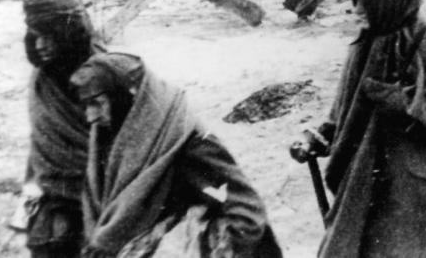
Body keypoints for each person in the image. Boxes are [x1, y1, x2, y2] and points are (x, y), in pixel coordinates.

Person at [290, 0, 426, 257]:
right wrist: (318, 137)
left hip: (414, 182)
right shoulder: (363, 43)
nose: (356, 8)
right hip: (363, 175)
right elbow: (343, 111)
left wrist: (402, 102)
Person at [70, 52, 281, 258]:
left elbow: (246, 213)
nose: (90, 116)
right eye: (86, 106)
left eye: (97, 103)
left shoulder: (184, 142)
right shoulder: (110, 140)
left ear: (124, 98)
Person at [21, 0, 102, 258]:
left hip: (102, 207)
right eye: (35, 35)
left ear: (69, 32)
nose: (41, 45)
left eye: (50, 35)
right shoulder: (43, 80)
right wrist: (27, 203)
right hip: (51, 205)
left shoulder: (107, 75)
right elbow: (40, 145)